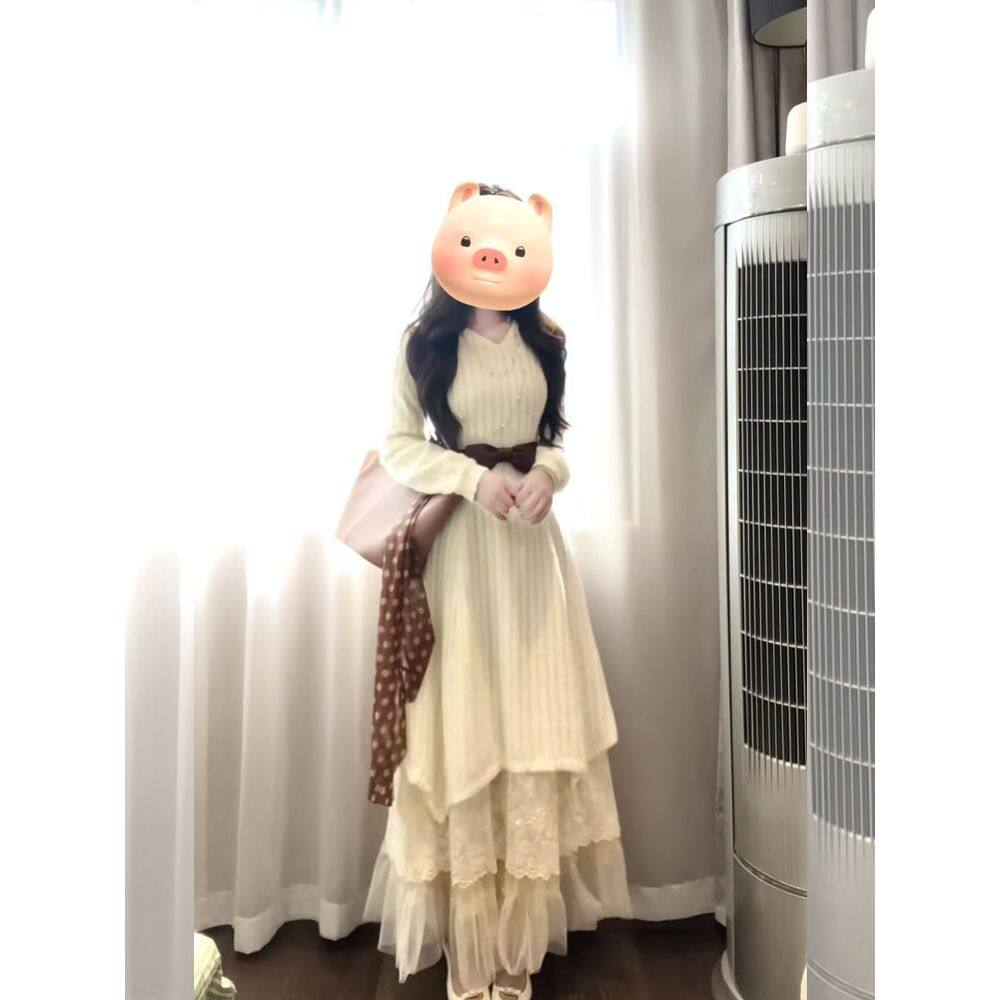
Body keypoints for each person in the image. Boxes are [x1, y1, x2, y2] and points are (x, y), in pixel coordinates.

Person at [363, 182, 631, 1000]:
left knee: (531, 720)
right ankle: (470, 958)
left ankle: (513, 958)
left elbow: (554, 440)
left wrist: (547, 476)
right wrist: (472, 481)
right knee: (467, 722)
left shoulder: (545, 340)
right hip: (460, 554)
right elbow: (398, 445)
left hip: (530, 557)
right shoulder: (424, 343)